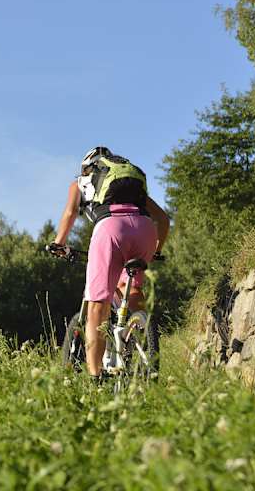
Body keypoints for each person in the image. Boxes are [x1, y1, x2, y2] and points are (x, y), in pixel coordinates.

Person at [49, 146, 170, 378]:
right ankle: (140, 335)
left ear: (87, 167)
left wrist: (58, 243)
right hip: (145, 229)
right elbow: (163, 219)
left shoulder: (80, 182)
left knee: (98, 304)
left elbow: (70, 213)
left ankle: (95, 375)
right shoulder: (131, 187)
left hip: (111, 229)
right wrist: (156, 251)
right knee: (131, 287)